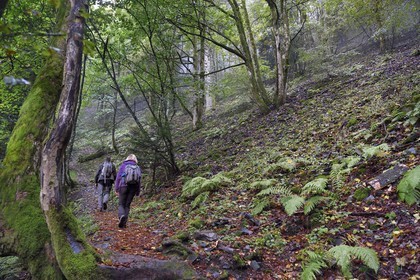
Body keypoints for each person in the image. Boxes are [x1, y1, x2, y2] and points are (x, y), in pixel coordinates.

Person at [115, 154, 142, 228]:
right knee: (127, 205)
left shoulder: (124, 165)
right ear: (135, 159)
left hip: (123, 186)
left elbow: (118, 177)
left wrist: (116, 188)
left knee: (121, 204)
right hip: (133, 188)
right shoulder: (137, 167)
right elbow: (139, 180)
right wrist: (138, 191)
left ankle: (121, 216)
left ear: (127, 158)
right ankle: (124, 222)